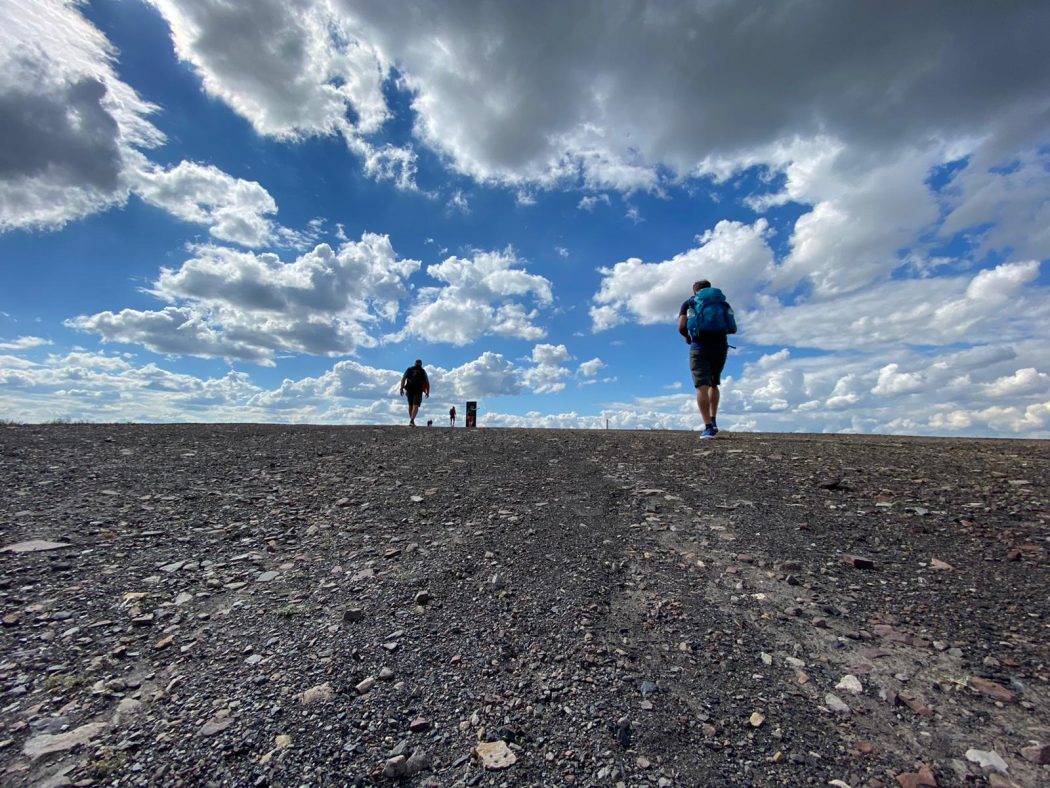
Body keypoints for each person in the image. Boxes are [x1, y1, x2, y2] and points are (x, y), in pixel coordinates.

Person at [678, 279, 731, 439]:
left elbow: (681, 327)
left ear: (695, 291)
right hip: (720, 346)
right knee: (714, 383)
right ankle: (714, 420)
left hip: (699, 345)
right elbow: (732, 326)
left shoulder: (689, 303)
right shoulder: (722, 303)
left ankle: (707, 427)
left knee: (702, 385)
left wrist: (688, 337)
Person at [399, 359, 430, 426]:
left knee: (411, 405)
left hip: (409, 389)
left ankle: (411, 421)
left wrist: (401, 388)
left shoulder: (409, 369)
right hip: (418, 390)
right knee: (415, 405)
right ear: (421, 364)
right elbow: (427, 382)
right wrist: (428, 392)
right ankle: (412, 420)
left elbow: (403, 378)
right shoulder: (422, 371)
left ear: (415, 363)